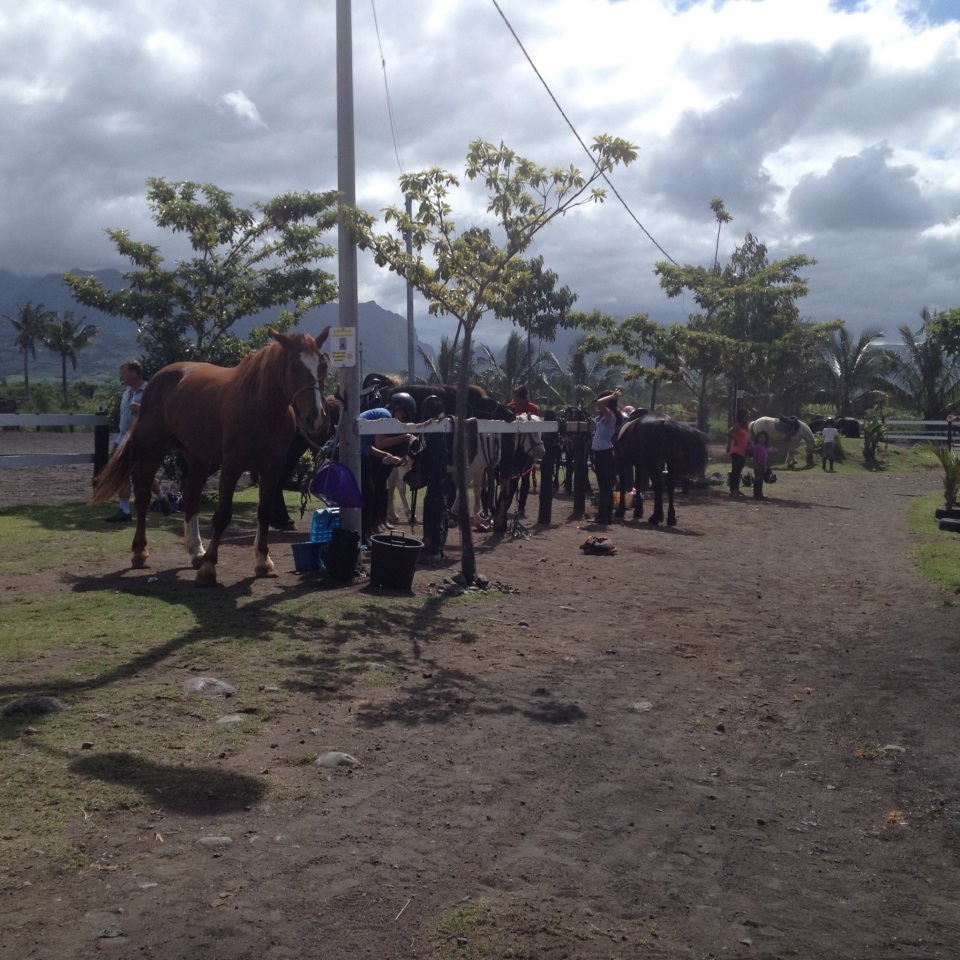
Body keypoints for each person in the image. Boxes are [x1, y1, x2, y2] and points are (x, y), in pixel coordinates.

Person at [105, 361, 166, 522]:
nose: (122, 376)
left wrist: (142, 409)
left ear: (134, 373)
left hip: (140, 439)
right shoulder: (126, 393)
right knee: (120, 474)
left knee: (143, 474)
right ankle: (124, 511)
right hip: (122, 439)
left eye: (124, 373)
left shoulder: (148, 391)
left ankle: (161, 498)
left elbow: (160, 413)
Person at [359, 392, 417, 544]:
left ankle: (365, 532)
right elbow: (381, 442)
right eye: (403, 416)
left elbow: (371, 447)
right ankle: (364, 534)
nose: (401, 421)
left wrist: (391, 458)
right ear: (397, 408)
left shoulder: (381, 415)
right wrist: (404, 437)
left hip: (361, 452)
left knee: (369, 492)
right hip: (358, 454)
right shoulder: (384, 415)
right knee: (368, 493)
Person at [507, 386, 540, 517]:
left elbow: (534, 427)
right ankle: (508, 503)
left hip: (527, 447)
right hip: (515, 446)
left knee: (525, 478)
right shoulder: (510, 406)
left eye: (517, 396)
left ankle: (522, 507)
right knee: (513, 478)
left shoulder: (533, 408)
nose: (515, 399)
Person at [591, 387, 620, 524]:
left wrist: (612, 396)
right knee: (604, 486)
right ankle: (604, 515)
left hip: (603, 453)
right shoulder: (607, 418)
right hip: (602, 452)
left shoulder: (610, 416)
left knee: (605, 486)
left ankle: (603, 516)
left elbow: (599, 403)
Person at [727, 411, 749, 497]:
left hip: (742, 451)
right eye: (746, 416)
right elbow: (729, 433)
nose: (747, 417)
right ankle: (733, 490)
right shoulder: (737, 425)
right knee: (735, 471)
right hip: (736, 451)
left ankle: (736, 489)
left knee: (738, 471)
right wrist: (735, 440)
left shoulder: (744, 426)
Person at [752, 430, 770, 500]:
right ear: (757, 438)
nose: (762, 439)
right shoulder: (756, 447)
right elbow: (754, 456)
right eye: (761, 437)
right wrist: (755, 464)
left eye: (763, 438)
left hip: (763, 464)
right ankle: (756, 493)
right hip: (758, 464)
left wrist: (767, 465)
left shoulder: (765, 447)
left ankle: (760, 493)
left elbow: (767, 456)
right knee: (757, 479)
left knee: (761, 479)